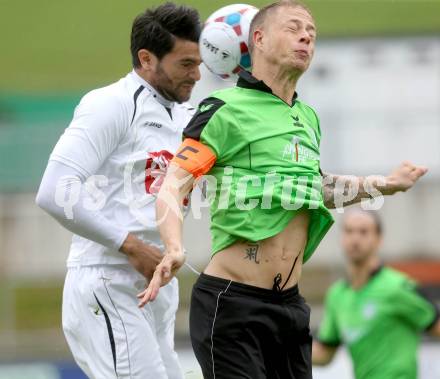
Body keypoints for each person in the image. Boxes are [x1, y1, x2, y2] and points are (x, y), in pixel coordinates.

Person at [138, 1, 428, 378]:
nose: (307, 35)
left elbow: (316, 188)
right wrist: (174, 246)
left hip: (289, 307)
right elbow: (174, 183)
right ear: (258, 38)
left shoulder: (307, 118)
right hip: (233, 304)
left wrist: (385, 185)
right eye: (294, 27)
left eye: (312, 32)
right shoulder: (224, 108)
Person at [36, 3, 202, 378]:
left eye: (199, 62)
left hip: (155, 283)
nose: (196, 74)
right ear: (146, 59)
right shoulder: (110, 105)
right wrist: (131, 245)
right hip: (108, 279)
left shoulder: (185, 114)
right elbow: (53, 191)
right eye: (185, 64)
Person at [313, 209, 440, 379]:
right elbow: (324, 353)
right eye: (349, 231)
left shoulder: (398, 287)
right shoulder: (337, 295)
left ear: (379, 239)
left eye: (363, 232)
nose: (355, 239)